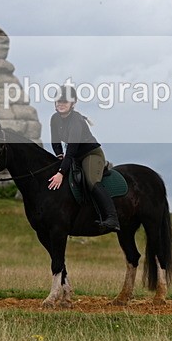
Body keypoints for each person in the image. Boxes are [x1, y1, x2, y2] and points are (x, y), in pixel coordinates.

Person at [48, 85, 120, 233]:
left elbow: (72, 149)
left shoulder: (76, 120)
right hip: (74, 156)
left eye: (65, 101)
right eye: (58, 101)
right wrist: (59, 155)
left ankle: (112, 218)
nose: (61, 104)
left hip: (91, 154)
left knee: (91, 180)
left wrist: (61, 172)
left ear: (73, 103)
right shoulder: (54, 118)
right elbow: (55, 142)